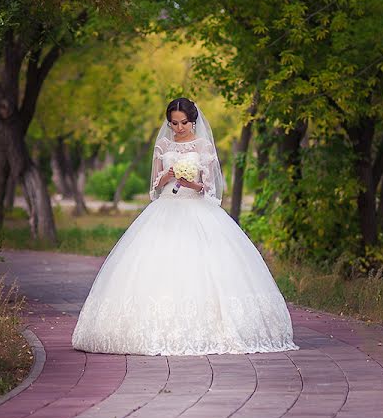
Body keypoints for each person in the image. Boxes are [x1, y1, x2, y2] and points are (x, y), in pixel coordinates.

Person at [71, 97, 298, 356]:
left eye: (183, 123)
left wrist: (192, 184)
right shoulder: (163, 145)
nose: (178, 128)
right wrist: (164, 177)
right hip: (165, 209)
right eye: (173, 123)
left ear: (193, 121)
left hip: (196, 209)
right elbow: (153, 188)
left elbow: (210, 188)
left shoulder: (203, 146)